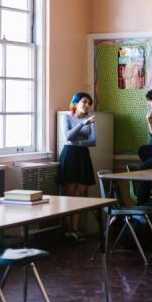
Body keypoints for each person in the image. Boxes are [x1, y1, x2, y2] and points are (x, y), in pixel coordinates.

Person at [58, 92, 97, 242]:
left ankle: (76, 229)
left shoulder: (90, 119)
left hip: (83, 155)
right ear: (75, 103)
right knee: (70, 194)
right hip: (70, 154)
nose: (87, 105)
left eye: (89, 103)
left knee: (81, 193)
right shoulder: (66, 117)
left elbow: (93, 141)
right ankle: (69, 230)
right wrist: (82, 124)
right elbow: (67, 137)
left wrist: (79, 142)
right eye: (84, 102)